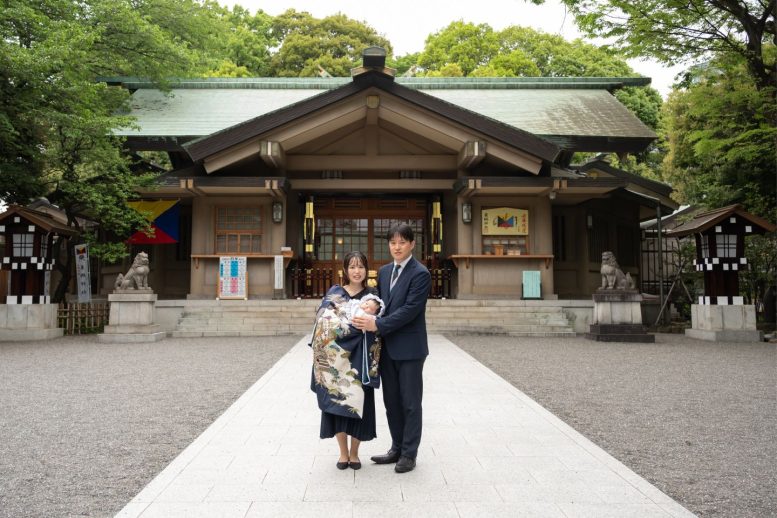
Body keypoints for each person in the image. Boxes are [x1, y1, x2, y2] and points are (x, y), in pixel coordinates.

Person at [352, 222, 431, 473]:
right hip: (387, 348)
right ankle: (396, 447)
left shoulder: (421, 274)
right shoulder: (385, 272)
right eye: (393, 242)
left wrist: (377, 323)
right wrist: (372, 304)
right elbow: (379, 296)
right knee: (392, 402)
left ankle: (409, 453)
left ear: (412, 244)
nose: (397, 247)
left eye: (402, 242)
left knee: (410, 402)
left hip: (409, 349)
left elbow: (409, 311)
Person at [309, 251, 382, 470]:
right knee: (337, 402)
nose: (356, 271)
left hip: (361, 359)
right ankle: (342, 453)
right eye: (352, 267)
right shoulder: (336, 293)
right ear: (345, 270)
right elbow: (323, 321)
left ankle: (355, 453)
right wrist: (350, 327)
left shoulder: (373, 296)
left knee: (360, 403)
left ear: (366, 269)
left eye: (360, 266)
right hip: (336, 359)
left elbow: (379, 322)